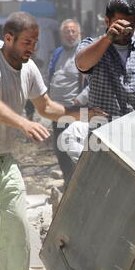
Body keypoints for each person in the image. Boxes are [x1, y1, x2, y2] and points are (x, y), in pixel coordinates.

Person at [0, 11, 105, 270]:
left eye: (35, 42)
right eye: (27, 42)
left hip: (4, 160)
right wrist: (24, 123)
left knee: (18, 226)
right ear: (8, 38)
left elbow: (46, 107)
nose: (32, 48)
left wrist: (82, 114)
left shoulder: (30, 68)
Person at [48, 19, 88, 186]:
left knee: (76, 148)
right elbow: (52, 75)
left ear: (80, 34)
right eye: (67, 32)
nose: (70, 35)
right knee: (60, 150)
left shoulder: (84, 53)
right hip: (56, 110)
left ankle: (80, 185)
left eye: (73, 31)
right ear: (61, 35)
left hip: (76, 110)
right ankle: (68, 183)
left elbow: (93, 82)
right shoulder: (57, 52)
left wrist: (80, 99)